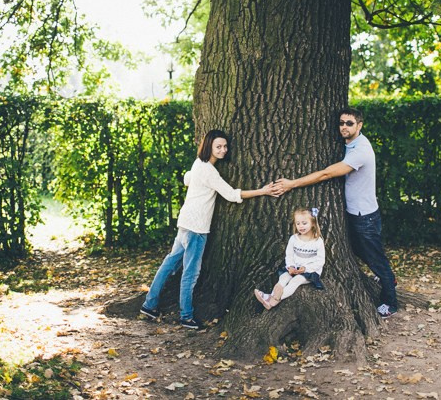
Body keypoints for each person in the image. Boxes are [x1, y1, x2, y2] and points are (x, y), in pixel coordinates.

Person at [140, 129, 278, 329]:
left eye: (225, 146)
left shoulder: (198, 164)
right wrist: (263, 191)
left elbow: (187, 178)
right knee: (190, 273)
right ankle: (186, 316)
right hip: (196, 229)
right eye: (218, 147)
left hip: (185, 223)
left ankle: (149, 305)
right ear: (209, 147)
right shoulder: (210, 171)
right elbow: (231, 194)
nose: (223, 150)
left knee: (169, 265)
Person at [274, 107, 399, 318]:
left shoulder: (360, 151)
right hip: (356, 212)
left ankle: (390, 301)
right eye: (341, 123)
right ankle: (386, 276)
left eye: (349, 123)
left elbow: (326, 174)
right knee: (358, 250)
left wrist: (292, 184)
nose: (344, 127)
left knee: (376, 259)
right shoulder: (352, 143)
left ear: (359, 125)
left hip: (364, 216)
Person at [254, 207, 325, 309]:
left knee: (295, 281)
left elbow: (320, 261)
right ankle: (271, 297)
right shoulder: (294, 239)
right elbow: (289, 255)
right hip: (295, 268)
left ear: (313, 223)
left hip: (310, 272)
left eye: (304, 223)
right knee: (283, 278)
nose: (301, 226)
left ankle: (272, 300)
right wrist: (290, 266)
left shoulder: (317, 241)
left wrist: (305, 269)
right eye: (298, 223)